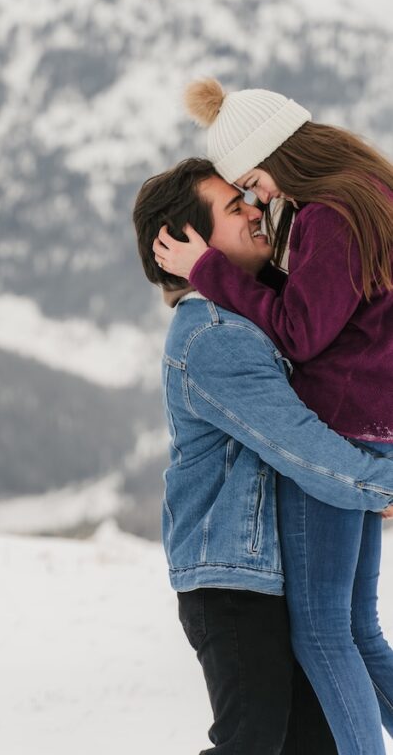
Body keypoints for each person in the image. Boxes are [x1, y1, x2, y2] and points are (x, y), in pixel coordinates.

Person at [152, 80, 393, 755]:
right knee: (354, 630)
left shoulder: (329, 214)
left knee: (325, 633)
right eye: (242, 199)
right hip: (367, 431)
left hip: (342, 429)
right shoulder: (366, 195)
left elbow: (302, 331)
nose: (260, 201)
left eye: (253, 183)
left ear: (279, 155)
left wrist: (209, 269)